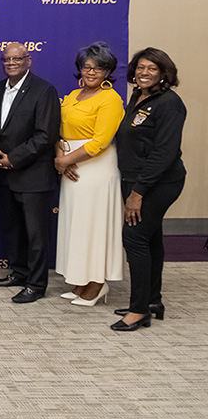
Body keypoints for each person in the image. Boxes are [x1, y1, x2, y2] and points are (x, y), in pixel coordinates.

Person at [112, 48, 186, 331]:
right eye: (140, 67)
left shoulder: (170, 103)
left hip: (158, 183)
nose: (144, 73)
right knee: (151, 238)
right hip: (134, 179)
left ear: (164, 73)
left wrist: (138, 192)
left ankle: (138, 310)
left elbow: (164, 153)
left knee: (134, 238)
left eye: (152, 68)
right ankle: (152, 301)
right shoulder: (138, 96)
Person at [0, 43, 61, 303]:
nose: (11, 63)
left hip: (33, 175)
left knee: (36, 235)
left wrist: (13, 159)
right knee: (13, 229)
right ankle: (19, 272)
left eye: (17, 59)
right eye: (6, 59)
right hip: (4, 174)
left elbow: (46, 135)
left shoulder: (44, 90)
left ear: (28, 60)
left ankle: (36, 285)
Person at [53, 42, 125, 307]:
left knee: (94, 225)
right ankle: (81, 280)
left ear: (108, 71)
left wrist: (65, 161)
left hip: (96, 168)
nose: (92, 72)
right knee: (77, 225)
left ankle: (97, 283)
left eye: (99, 67)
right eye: (87, 66)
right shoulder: (73, 95)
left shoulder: (110, 99)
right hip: (70, 166)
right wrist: (60, 155)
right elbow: (59, 130)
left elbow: (100, 142)